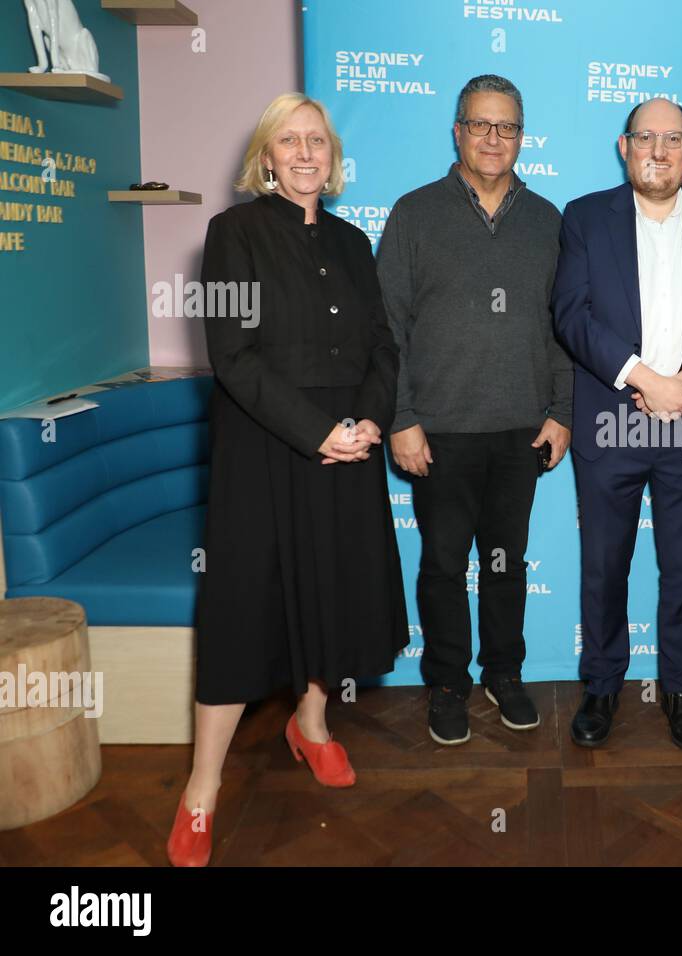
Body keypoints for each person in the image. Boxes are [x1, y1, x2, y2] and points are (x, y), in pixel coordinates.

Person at [168, 93, 409, 867]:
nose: (306, 153)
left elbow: (381, 345)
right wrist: (318, 432)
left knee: (331, 589)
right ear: (266, 157)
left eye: (318, 141)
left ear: (332, 156)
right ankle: (201, 789)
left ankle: (311, 726)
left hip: (348, 447)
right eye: (290, 141)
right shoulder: (230, 233)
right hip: (266, 450)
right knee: (245, 610)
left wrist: (369, 419)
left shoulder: (353, 238)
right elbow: (232, 358)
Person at [377, 75, 572, 747]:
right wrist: (400, 418)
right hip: (438, 431)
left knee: (504, 564)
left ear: (522, 137)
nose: (494, 138)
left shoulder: (548, 220)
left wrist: (562, 409)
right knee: (440, 564)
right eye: (480, 125)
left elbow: (563, 326)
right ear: (457, 131)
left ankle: (505, 673)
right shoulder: (414, 213)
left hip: (520, 428)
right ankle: (448, 683)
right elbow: (387, 329)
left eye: (507, 127)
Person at [552, 98, 682, 750]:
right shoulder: (583, 217)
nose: (657, 150)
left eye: (672, 138)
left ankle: (681, 689)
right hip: (612, 419)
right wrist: (644, 379)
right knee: (605, 564)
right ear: (623, 146)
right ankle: (602, 684)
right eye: (644, 138)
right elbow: (571, 315)